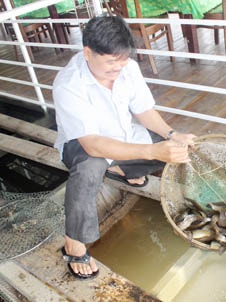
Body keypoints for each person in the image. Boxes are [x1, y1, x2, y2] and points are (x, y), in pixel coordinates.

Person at [53, 15, 196, 280]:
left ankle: (120, 167)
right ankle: (74, 242)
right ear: (87, 52)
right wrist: (152, 151)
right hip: (83, 146)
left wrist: (172, 135)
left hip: (123, 135)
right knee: (90, 169)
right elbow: (93, 145)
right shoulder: (68, 84)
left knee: (172, 150)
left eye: (123, 61)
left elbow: (143, 111)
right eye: (110, 63)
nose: (118, 69)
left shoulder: (126, 67)